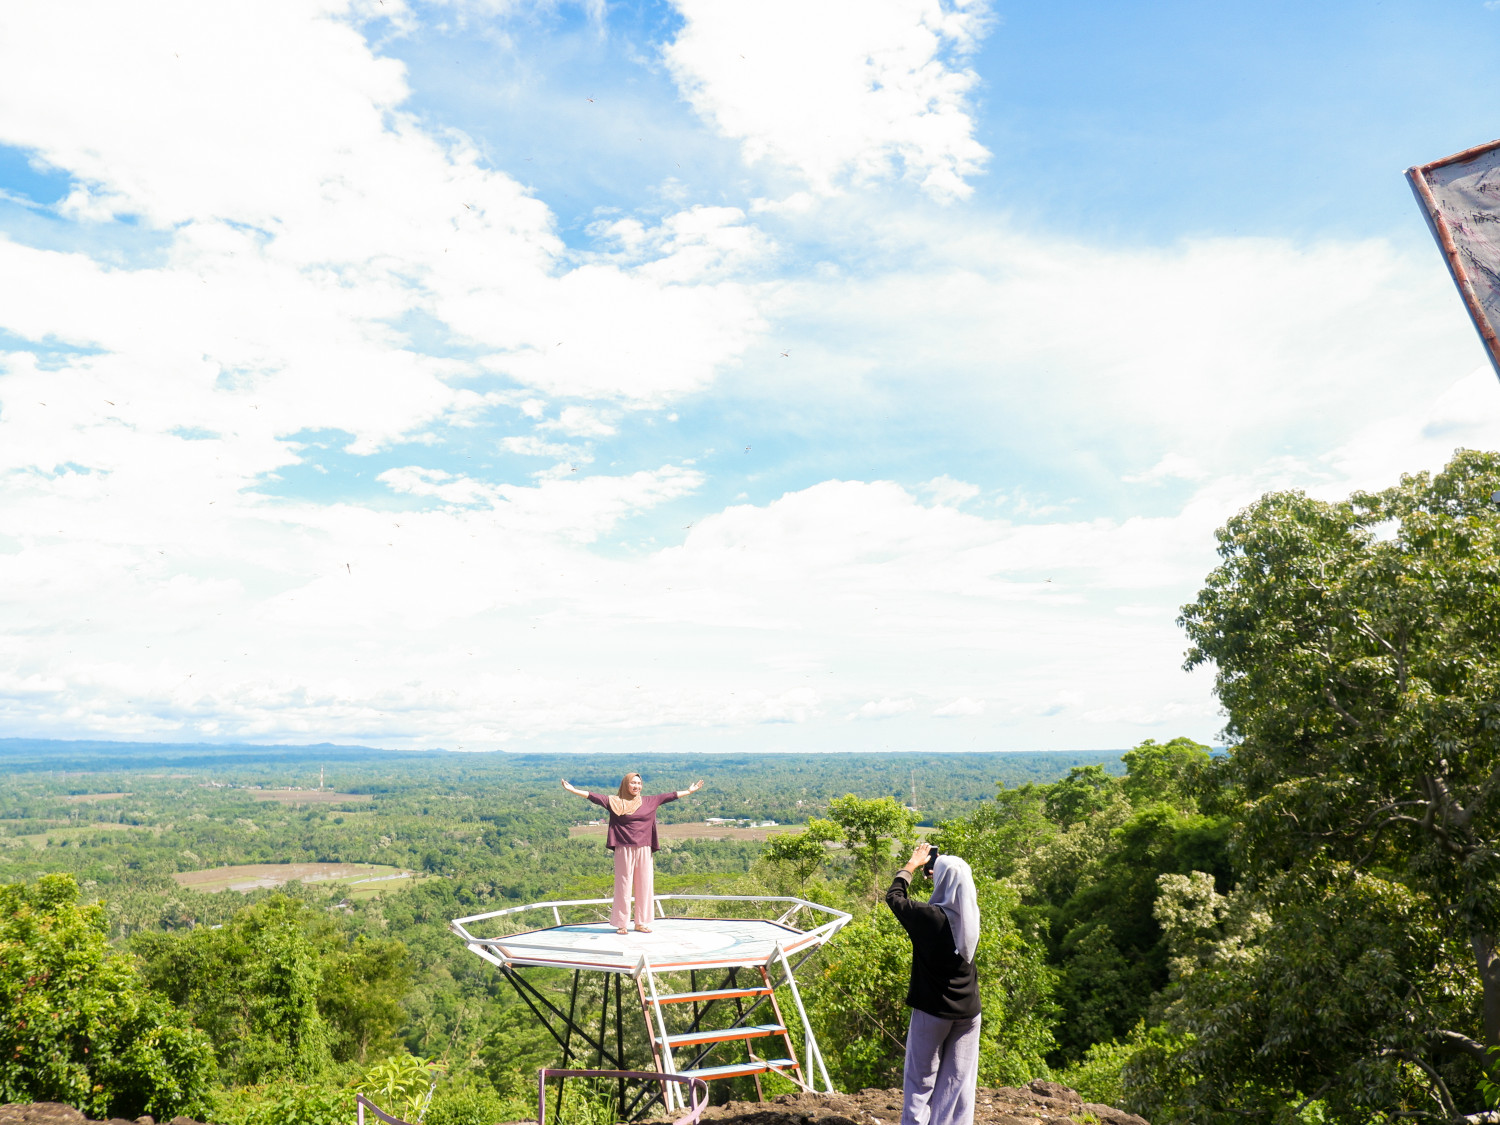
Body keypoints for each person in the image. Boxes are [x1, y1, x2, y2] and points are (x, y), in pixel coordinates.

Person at [885, 842, 981, 1125]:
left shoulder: (930, 918)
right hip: (969, 1014)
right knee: (957, 1083)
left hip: (933, 1012)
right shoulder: (970, 919)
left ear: (942, 882)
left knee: (920, 1081)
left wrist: (912, 865)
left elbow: (894, 897)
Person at [561, 773, 704, 934]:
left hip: (644, 847)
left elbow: (670, 796)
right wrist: (573, 790)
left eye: (639, 783)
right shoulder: (615, 802)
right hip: (624, 847)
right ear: (625, 785)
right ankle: (622, 924)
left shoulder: (650, 801)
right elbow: (593, 796)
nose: (636, 786)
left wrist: (689, 791)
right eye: (633, 783)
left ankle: (640, 923)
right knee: (623, 885)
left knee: (644, 884)